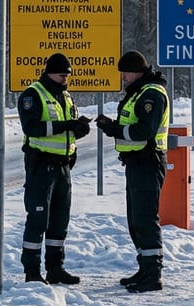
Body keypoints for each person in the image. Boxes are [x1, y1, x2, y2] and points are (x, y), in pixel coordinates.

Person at [96, 50, 170, 293]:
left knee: (145, 219)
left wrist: (115, 131)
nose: (123, 78)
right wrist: (112, 126)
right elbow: (131, 125)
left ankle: (153, 274)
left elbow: (144, 131)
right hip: (136, 163)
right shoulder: (139, 93)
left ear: (136, 71)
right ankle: (144, 268)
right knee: (135, 219)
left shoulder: (151, 95)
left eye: (125, 73)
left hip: (148, 162)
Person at [17, 52, 91, 283]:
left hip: (62, 166)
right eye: (61, 75)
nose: (65, 79)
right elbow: (32, 128)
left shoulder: (65, 97)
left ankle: (55, 268)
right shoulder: (33, 95)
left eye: (67, 75)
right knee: (38, 219)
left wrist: (78, 130)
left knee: (60, 220)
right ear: (50, 72)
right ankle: (31, 271)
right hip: (41, 166)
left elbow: (66, 129)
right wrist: (66, 126)